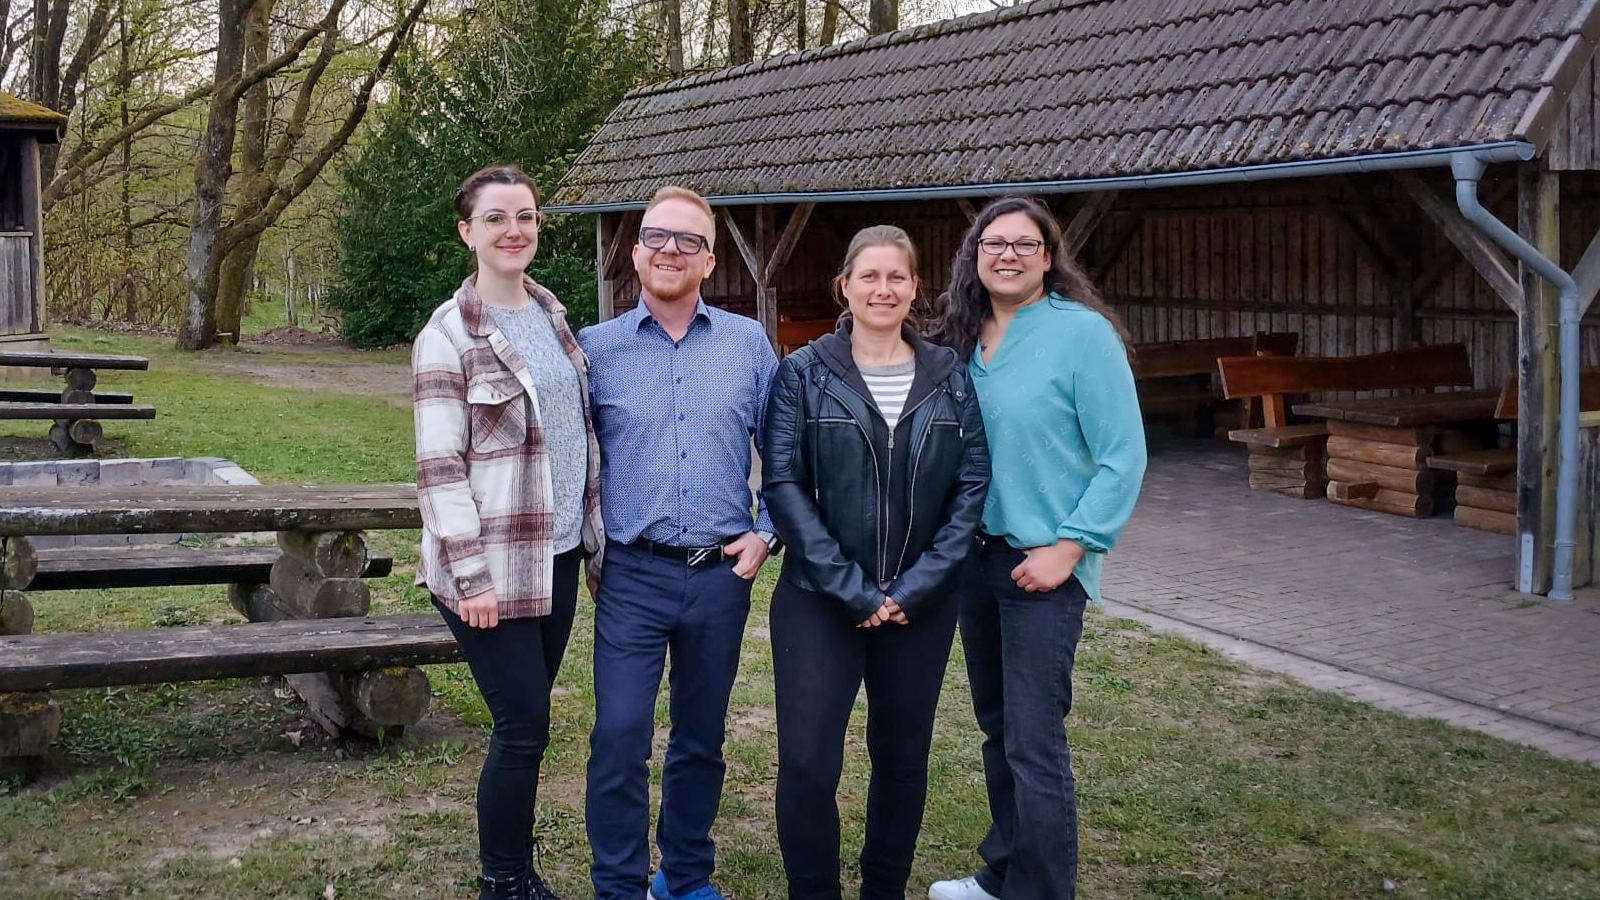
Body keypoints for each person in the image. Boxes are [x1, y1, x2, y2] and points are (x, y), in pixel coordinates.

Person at [927, 197, 1146, 900]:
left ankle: (1040, 890)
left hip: (1043, 566)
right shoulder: (964, 337)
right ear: (976, 256)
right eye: (995, 244)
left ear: (1049, 257)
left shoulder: (1081, 335)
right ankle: (1004, 872)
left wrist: (1072, 547)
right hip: (974, 560)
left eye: (1025, 244)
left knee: (1034, 739)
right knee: (998, 728)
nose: (1009, 255)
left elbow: (1123, 456)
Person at [763, 225, 989, 900]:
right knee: (806, 764)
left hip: (920, 606)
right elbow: (783, 484)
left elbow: (971, 486)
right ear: (846, 286)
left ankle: (883, 888)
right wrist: (852, 589)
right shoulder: (803, 374)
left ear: (915, 288)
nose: (883, 289)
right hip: (819, 600)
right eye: (870, 276)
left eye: (897, 277)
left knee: (901, 760)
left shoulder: (950, 377)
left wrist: (915, 587)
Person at [577, 186, 780, 900]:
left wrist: (767, 533)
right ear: (634, 253)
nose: (670, 249)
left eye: (688, 241)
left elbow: (785, 449)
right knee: (621, 735)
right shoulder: (593, 350)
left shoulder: (748, 344)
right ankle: (620, 886)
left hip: (721, 574)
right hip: (631, 573)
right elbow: (571, 461)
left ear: (709, 259)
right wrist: (590, 545)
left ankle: (685, 876)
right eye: (657, 237)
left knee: (700, 737)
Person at [412, 164, 605, 900]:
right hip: (487, 570)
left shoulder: (553, 317)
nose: (512, 230)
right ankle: (504, 881)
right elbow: (439, 469)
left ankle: (517, 871)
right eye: (495, 218)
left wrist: (590, 541)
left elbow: (575, 434)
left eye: (523, 216)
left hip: (552, 558)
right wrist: (472, 578)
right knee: (522, 725)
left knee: (527, 725)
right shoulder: (447, 336)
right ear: (468, 231)